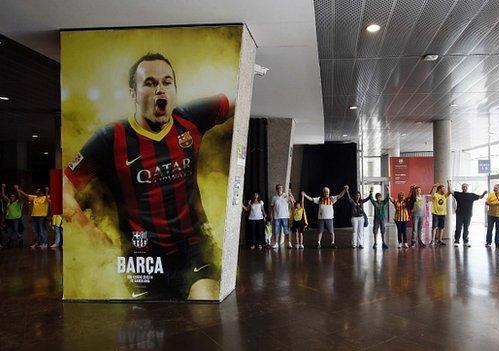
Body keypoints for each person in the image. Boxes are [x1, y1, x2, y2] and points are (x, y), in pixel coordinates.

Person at [63, 53, 235, 300]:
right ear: (133, 93)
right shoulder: (109, 138)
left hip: (195, 248)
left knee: (204, 303)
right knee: (151, 329)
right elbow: (62, 185)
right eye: (150, 83)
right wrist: (89, 229)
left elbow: (239, 98)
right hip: (141, 258)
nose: (160, 90)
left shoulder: (190, 118)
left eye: (167, 82)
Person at [452, 183, 486, 248]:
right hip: (459, 214)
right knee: (458, 228)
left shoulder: (471, 195)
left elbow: (480, 197)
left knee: (466, 228)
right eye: (463, 187)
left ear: (467, 188)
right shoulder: (458, 194)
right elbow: (451, 191)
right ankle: (456, 241)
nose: (464, 188)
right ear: (462, 188)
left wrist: (484, 193)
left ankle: (466, 241)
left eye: (465, 187)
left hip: (468, 215)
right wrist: (449, 183)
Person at [270, 184, 295, 249]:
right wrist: (271, 215)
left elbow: (293, 203)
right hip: (277, 216)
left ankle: (289, 243)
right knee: (276, 231)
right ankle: (276, 243)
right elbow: (272, 207)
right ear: (276, 189)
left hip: (285, 216)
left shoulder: (286, 196)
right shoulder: (274, 197)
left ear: (282, 189)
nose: (280, 189)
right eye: (278, 188)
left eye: (281, 188)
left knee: (286, 230)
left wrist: (290, 195)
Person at [1, 184, 24, 248]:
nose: (11, 197)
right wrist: (3, 188)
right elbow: (3, 196)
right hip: (8, 219)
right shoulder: (8, 202)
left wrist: (17, 189)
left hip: (16, 219)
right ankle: (10, 241)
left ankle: (20, 239)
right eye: (11, 196)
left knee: (16, 231)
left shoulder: (17, 202)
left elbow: (20, 197)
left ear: (15, 197)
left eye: (13, 196)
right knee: (9, 231)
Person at [430, 180, 452, 246]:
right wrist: (434, 187)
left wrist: (449, 184)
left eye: (445, 189)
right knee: (434, 227)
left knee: (441, 227)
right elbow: (432, 195)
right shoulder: (436, 195)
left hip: (443, 213)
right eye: (443, 188)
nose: (444, 190)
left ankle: (440, 240)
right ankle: (433, 240)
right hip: (436, 213)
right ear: (439, 189)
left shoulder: (444, 195)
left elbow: (450, 192)